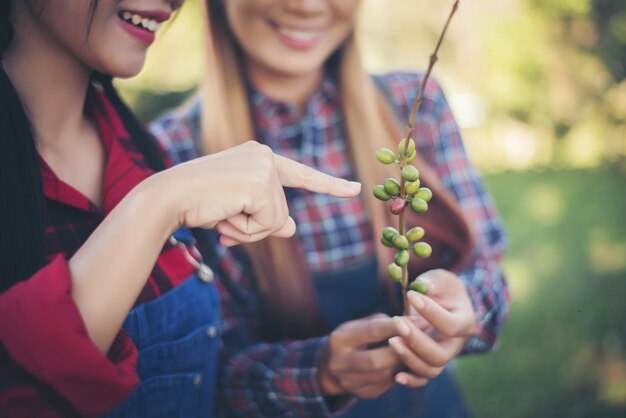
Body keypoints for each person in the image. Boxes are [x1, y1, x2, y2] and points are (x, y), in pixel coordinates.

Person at [0, 1, 364, 417]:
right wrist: (157, 204)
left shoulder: (144, 151)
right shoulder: (169, 172)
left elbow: (203, 378)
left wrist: (325, 372)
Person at [152, 0, 509, 417]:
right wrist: (318, 373)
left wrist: (465, 309)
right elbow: (195, 379)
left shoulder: (416, 104)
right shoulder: (170, 156)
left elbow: (489, 275)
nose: (305, 5)